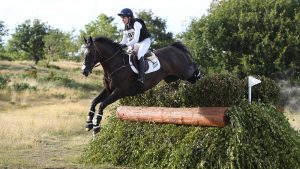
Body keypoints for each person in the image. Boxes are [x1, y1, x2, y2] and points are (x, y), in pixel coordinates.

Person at [118, 8, 151, 84]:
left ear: (129, 17)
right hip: (137, 43)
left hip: (145, 41)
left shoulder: (136, 23)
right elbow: (123, 41)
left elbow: (135, 39)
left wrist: (125, 45)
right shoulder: (126, 27)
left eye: (124, 18)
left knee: (139, 54)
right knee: (128, 54)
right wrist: (117, 45)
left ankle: (141, 76)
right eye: (122, 18)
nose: (122, 20)